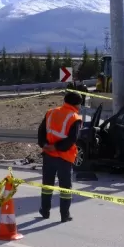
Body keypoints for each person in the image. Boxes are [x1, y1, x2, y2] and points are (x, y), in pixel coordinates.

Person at [37, 91, 82, 222]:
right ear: (78, 104)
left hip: (48, 155)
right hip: (64, 157)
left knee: (47, 185)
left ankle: (45, 211)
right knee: (65, 188)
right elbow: (72, 140)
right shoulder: (75, 118)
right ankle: (65, 214)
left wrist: (44, 145)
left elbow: (41, 131)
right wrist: (56, 147)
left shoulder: (51, 112)